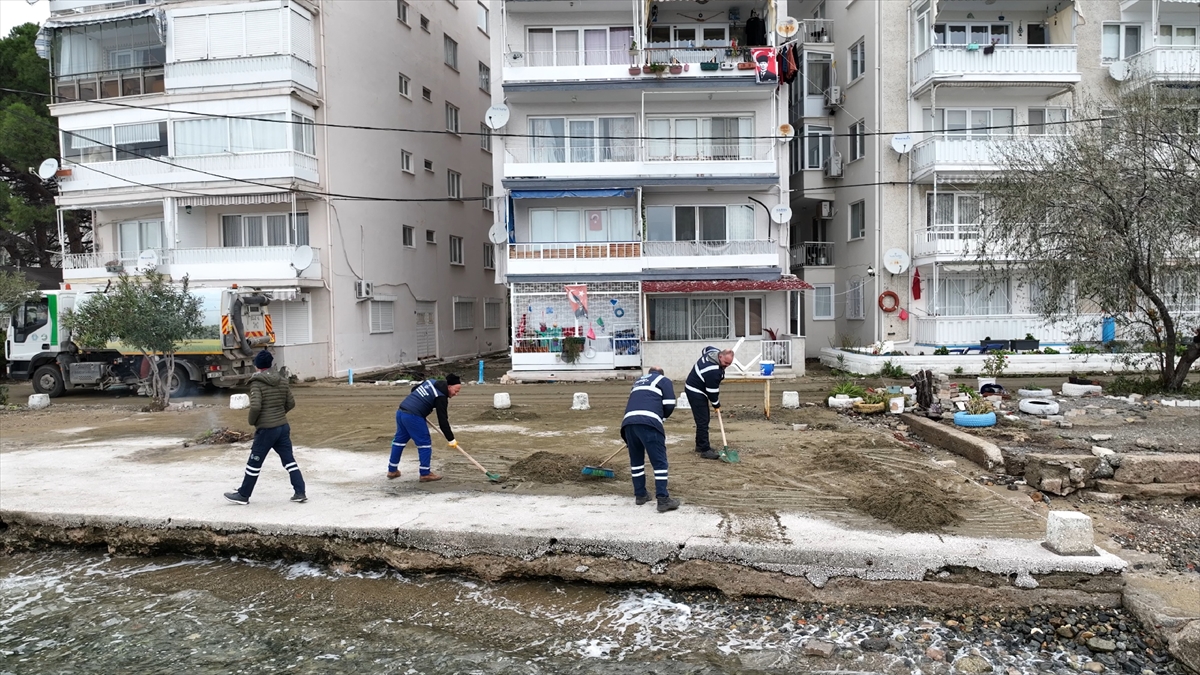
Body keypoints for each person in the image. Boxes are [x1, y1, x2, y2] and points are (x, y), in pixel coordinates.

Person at [224, 350, 306, 505]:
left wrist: (252, 421)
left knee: (254, 463)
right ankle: (300, 492)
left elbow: (255, 407)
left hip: (266, 430)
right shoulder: (282, 380)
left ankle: (243, 495)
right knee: (289, 460)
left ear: (257, 366)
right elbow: (291, 403)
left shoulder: (256, 383)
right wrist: (279, 414)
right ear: (270, 364)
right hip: (282, 426)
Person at [621, 367, 679, 512]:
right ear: (661, 373)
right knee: (659, 462)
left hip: (628, 423)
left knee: (636, 461)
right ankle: (663, 499)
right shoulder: (663, 380)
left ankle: (640, 495)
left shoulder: (638, 382)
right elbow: (670, 403)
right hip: (649, 423)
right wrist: (662, 417)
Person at [388, 374, 462, 482]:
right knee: (424, 443)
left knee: (399, 442)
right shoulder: (441, 397)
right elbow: (443, 421)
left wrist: (419, 402)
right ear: (449, 386)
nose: (456, 394)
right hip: (413, 416)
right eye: (456, 391)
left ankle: (392, 470)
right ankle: (425, 473)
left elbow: (414, 389)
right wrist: (451, 439)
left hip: (401, 411)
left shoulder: (431, 382)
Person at [685, 346, 734, 460]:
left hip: (697, 387)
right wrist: (716, 404)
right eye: (725, 363)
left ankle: (699, 445)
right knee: (703, 420)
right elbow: (712, 392)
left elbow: (705, 348)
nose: (726, 365)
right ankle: (705, 450)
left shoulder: (713, 353)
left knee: (703, 419)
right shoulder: (713, 371)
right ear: (720, 356)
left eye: (729, 364)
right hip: (695, 391)